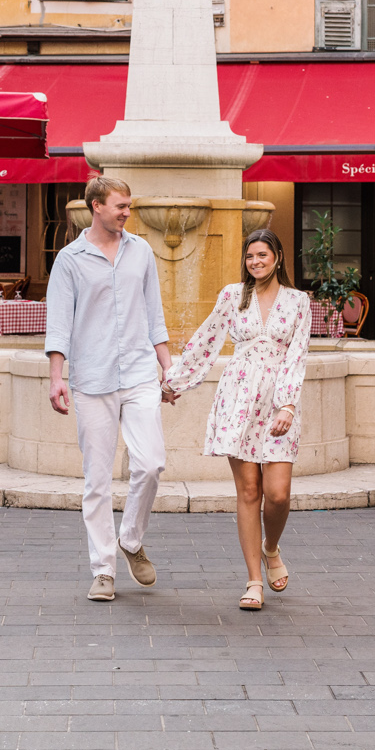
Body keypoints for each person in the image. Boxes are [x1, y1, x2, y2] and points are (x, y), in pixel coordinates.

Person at [162, 228, 310, 612]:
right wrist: (175, 382)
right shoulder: (232, 295)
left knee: (277, 493)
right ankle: (254, 580)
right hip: (238, 399)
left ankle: (271, 547)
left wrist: (288, 406)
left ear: (277, 256)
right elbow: (206, 340)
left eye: (262, 255)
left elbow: (297, 356)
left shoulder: (298, 301)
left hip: (278, 403)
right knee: (248, 492)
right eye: (250, 257)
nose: (256, 262)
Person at [44, 176, 169, 602]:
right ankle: (103, 569)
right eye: (120, 206)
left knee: (150, 463)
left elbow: (155, 314)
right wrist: (56, 377)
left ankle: (130, 539)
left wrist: (168, 367)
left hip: (138, 373)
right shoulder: (69, 259)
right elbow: (59, 323)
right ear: (96, 206)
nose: (127, 213)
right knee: (97, 480)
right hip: (92, 379)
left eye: (130, 206)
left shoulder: (142, 252)